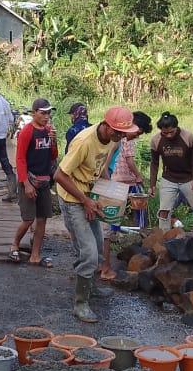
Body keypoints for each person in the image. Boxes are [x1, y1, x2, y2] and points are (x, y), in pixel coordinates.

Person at [53, 106, 137, 323]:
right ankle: (80, 303)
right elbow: (59, 175)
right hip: (73, 199)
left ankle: (90, 287)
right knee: (88, 253)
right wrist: (85, 201)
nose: (120, 137)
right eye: (117, 133)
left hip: (89, 195)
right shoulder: (84, 141)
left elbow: (102, 168)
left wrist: (106, 192)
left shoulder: (111, 139)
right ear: (106, 126)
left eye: (122, 134)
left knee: (98, 245)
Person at [97, 111, 153, 280]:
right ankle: (105, 268)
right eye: (138, 132)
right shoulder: (117, 140)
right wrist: (109, 187)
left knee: (103, 228)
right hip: (110, 184)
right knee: (106, 229)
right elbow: (103, 166)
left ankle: (99, 265)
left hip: (109, 183)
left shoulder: (118, 139)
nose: (137, 136)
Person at [10, 98, 58, 267]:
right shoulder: (27, 132)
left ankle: (35, 255)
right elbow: (20, 159)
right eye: (43, 113)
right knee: (28, 219)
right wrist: (26, 183)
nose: (46, 116)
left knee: (42, 219)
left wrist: (54, 141)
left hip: (44, 180)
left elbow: (52, 156)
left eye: (48, 113)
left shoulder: (48, 130)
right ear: (34, 113)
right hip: (29, 180)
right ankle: (15, 244)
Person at [149, 112, 193, 231]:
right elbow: (154, 163)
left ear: (176, 127)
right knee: (164, 211)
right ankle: (164, 238)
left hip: (188, 179)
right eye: (164, 133)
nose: (168, 135)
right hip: (169, 179)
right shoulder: (156, 140)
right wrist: (152, 185)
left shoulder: (188, 137)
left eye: (171, 132)